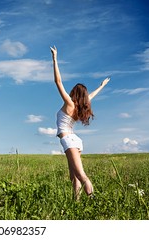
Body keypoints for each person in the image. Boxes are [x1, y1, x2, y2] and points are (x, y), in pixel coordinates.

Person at [50, 45, 110, 200]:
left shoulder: (70, 104)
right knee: (74, 176)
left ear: (74, 93)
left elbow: (58, 81)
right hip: (75, 140)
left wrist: (55, 59)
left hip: (69, 140)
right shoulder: (81, 106)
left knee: (81, 175)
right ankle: (76, 202)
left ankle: (93, 200)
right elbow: (91, 96)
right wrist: (101, 86)